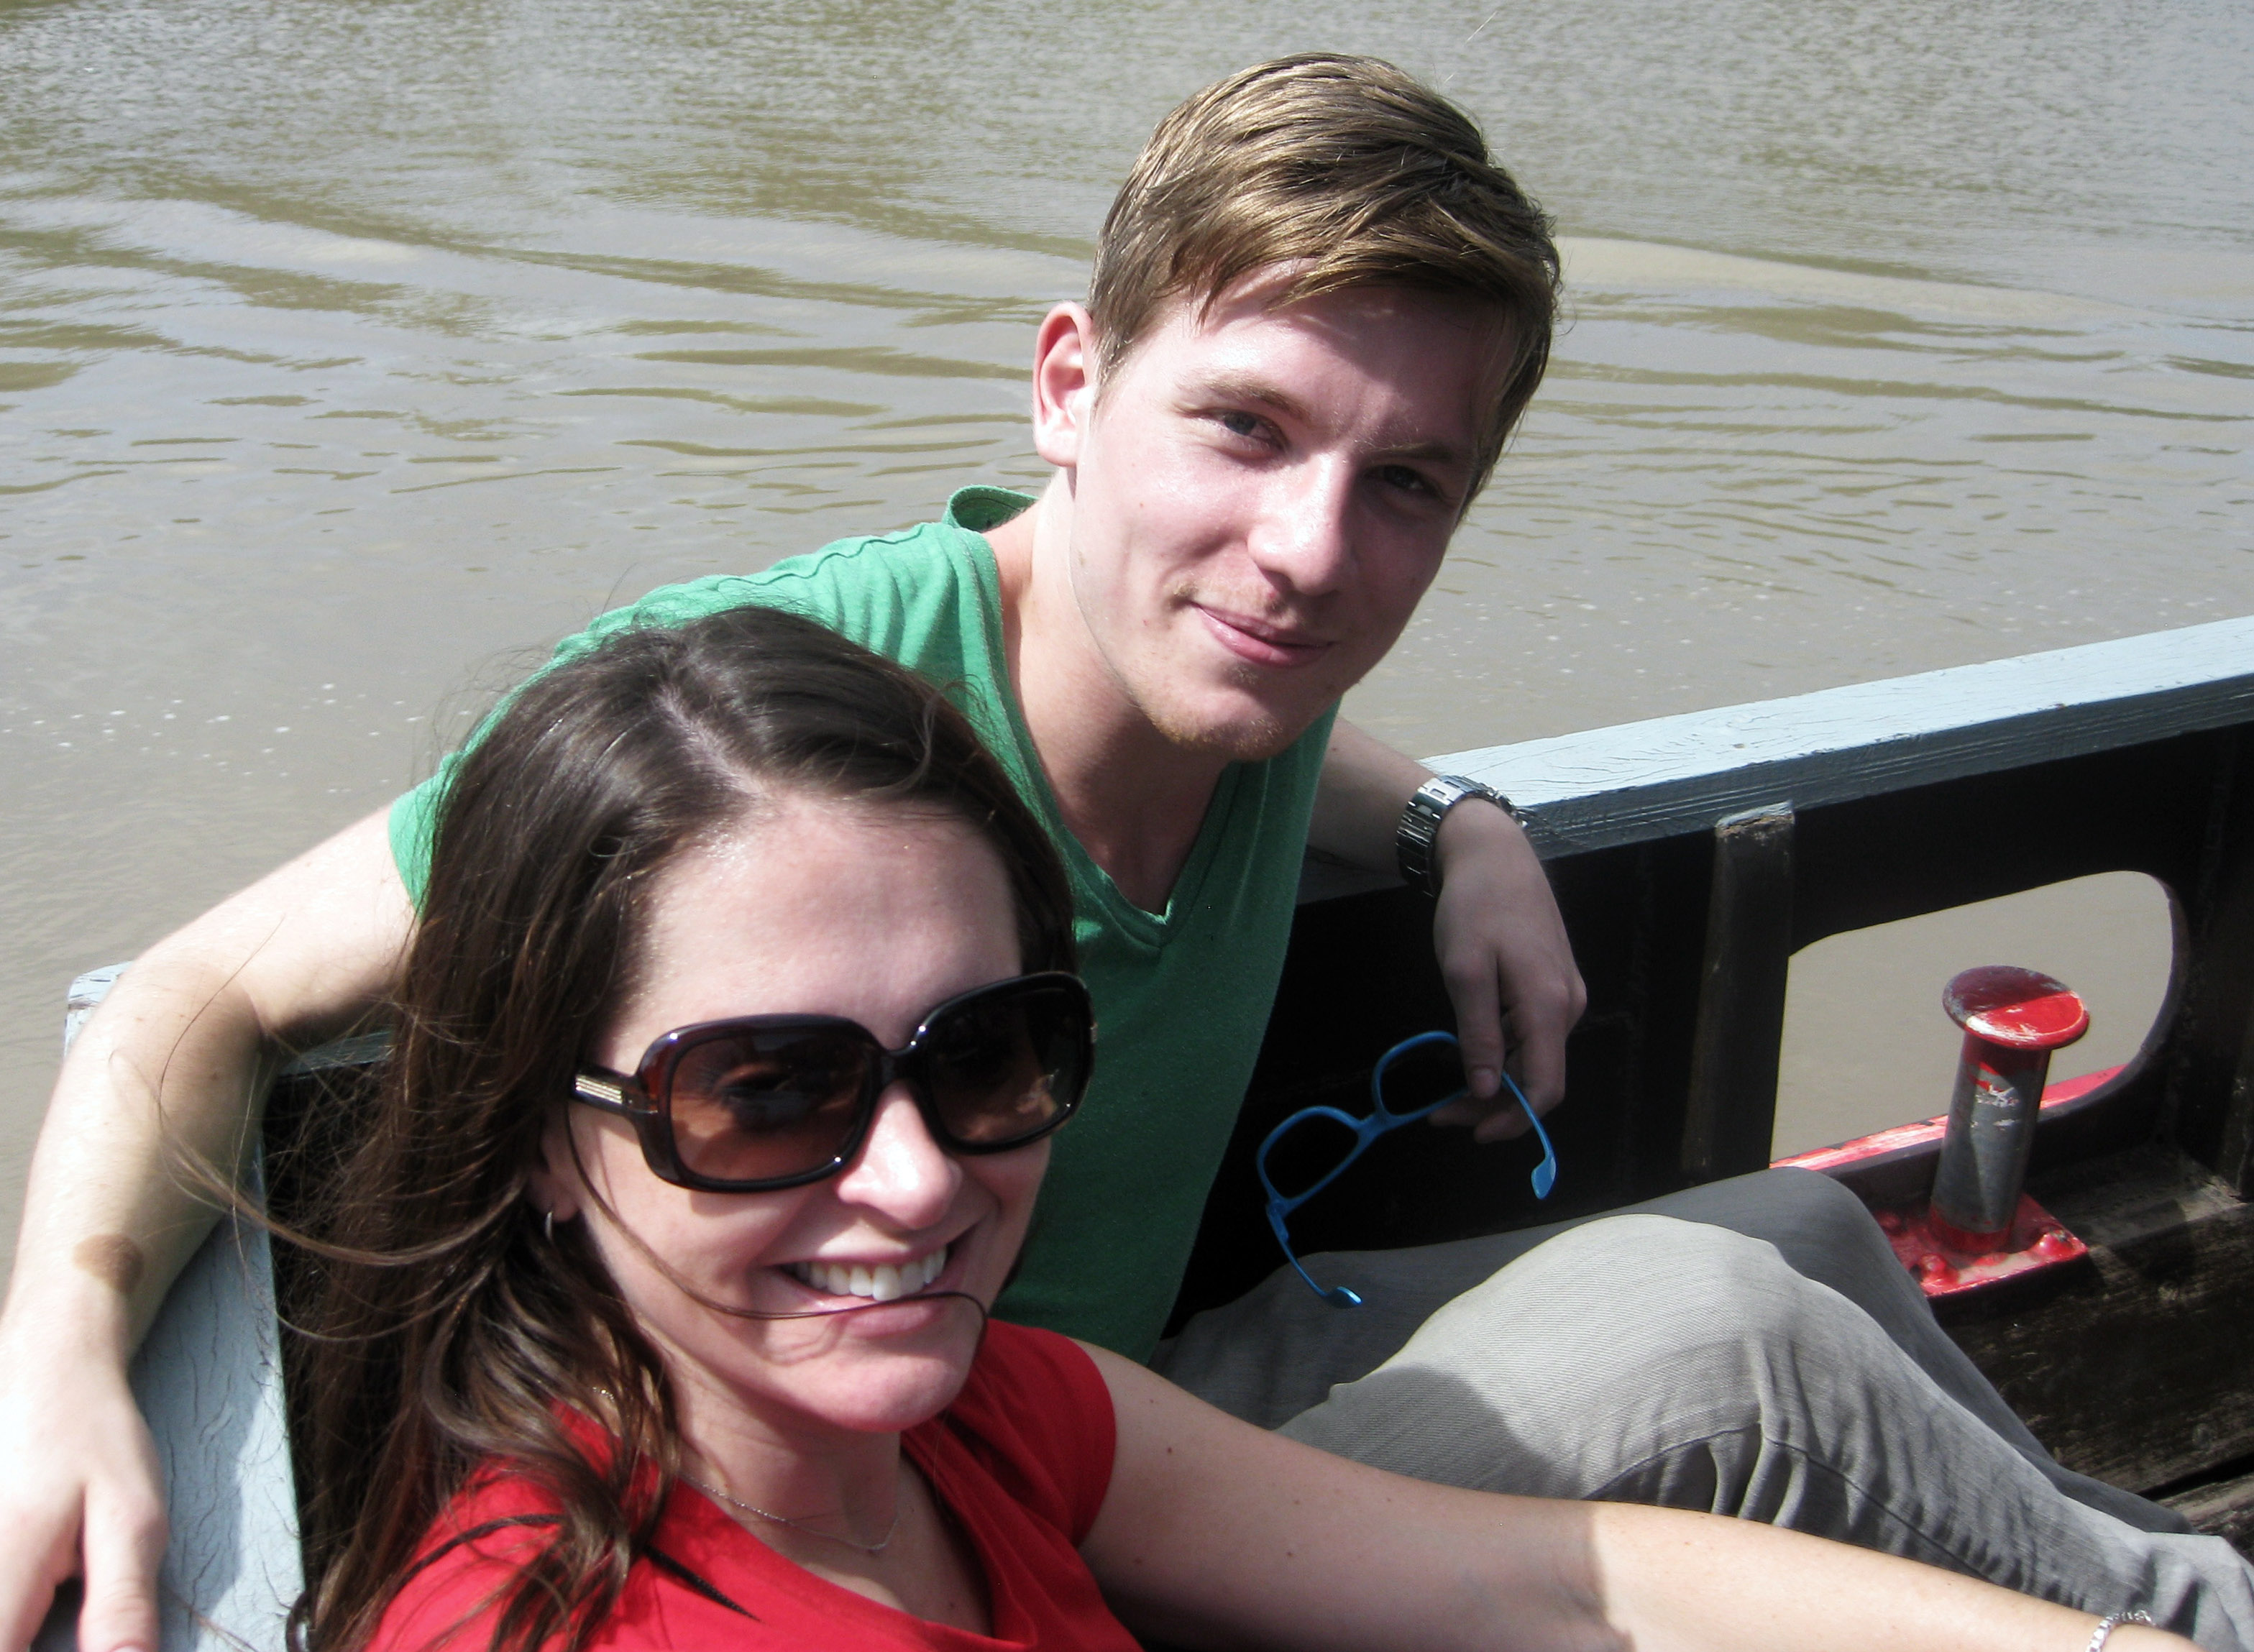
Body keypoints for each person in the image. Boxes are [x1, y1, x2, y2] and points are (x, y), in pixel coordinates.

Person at [4, 48, 2251, 1652]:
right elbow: (191, 989)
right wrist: (63, 1349)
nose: (1309, 552)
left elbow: (1312, 717)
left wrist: (1460, 817)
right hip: (904, 1449)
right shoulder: (787, 717)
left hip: (1063, 1423)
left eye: (1406, 483)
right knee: (1732, 1339)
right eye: (1244, 428)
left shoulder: (1244, 670)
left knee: (1808, 1231)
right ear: (1069, 384)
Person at [304, 604, 2186, 1652]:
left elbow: (1536, 1577)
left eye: (988, 1052)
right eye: (767, 1090)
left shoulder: (976, 1413)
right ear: (543, 1136)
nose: (919, 1176)